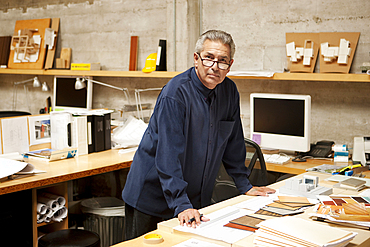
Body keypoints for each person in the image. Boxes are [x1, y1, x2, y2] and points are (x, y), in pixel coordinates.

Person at [122, 29, 275, 240]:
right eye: (209, 58)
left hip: (192, 201)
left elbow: (233, 144)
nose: (215, 67)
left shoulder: (229, 92)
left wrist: (244, 185)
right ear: (196, 59)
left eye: (222, 61)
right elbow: (168, 154)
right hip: (152, 198)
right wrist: (181, 203)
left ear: (230, 65)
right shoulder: (175, 94)